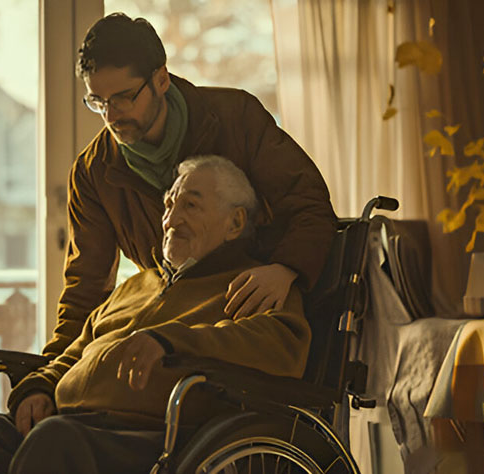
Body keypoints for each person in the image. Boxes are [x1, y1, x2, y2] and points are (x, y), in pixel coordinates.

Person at [0, 156, 311, 474]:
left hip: (154, 439)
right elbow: (76, 353)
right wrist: (38, 387)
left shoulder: (252, 284)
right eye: (168, 205)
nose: (171, 219)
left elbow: (283, 346)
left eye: (191, 205)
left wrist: (171, 339)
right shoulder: (137, 285)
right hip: (70, 424)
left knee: (55, 441)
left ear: (235, 222)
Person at [48, 12, 337, 359]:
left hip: (252, 317)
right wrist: (45, 376)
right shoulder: (93, 172)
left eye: (124, 97)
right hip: (172, 330)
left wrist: (286, 268)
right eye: (99, 102)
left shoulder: (237, 118)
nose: (111, 116)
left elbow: (309, 203)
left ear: (161, 80)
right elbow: (84, 289)